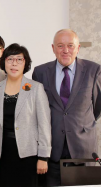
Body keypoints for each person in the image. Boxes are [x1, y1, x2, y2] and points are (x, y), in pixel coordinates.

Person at [32, 29, 101, 186]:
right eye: (60, 45)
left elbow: (97, 106)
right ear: (53, 48)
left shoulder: (94, 70)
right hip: (51, 149)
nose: (65, 50)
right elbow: (38, 110)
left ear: (78, 48)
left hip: (82, 148)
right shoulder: (40, 72)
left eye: (70, 45)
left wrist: (80, 123)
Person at [0, 43, 51, 187]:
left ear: (26, 63)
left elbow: (44, 124)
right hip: (2, 154)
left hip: (28, 155)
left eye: (19, 59)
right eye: (10, 59)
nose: (14, 63)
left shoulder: (36, 88)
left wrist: (43, 157)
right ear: (4, 62)